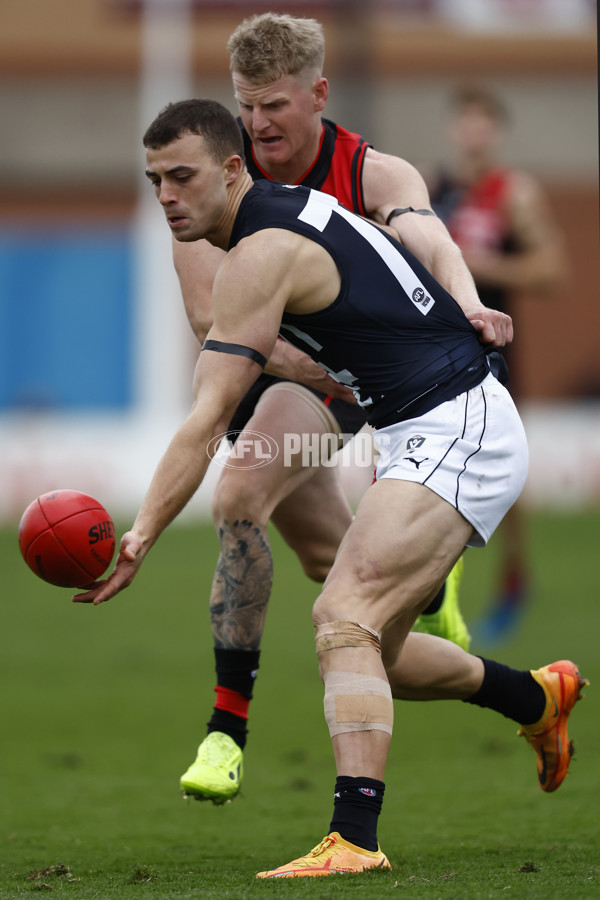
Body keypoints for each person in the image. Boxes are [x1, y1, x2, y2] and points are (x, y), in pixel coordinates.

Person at [74, 98, 586, 879]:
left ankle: (353, 838)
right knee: (378, 651)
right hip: (427, 422)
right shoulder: (279, 219)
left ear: (234, 169)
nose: (168, 195)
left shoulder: (258, 252)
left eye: (183, 176)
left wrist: (139, 532)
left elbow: (208, 415)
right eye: (155, 181)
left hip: (455, 423)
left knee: (340, 613)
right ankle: (536, 698)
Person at [171, 12, 472, 806]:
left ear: (319, 95)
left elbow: (430, 243)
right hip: (261, 370)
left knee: (237, 494)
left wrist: (466, 302)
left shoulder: (374, 173)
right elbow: (210, 321)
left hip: (322, 387)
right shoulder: (212, 175)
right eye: (247, 104)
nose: (260, 123)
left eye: (275, 105)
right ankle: (535, 695)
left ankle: (224, 735)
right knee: (329, 573)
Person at [424, 84, 568, 643]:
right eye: (466, 122)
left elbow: (552, 268)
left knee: (506, 466)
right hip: (434, 343)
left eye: (485, 124)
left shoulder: (512, 193)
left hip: (497, 345)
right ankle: (434, 582)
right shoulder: (432, 187)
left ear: (497, 132)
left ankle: (512, 578)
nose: (474, 134)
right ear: (453, 129)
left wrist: (480, 266)